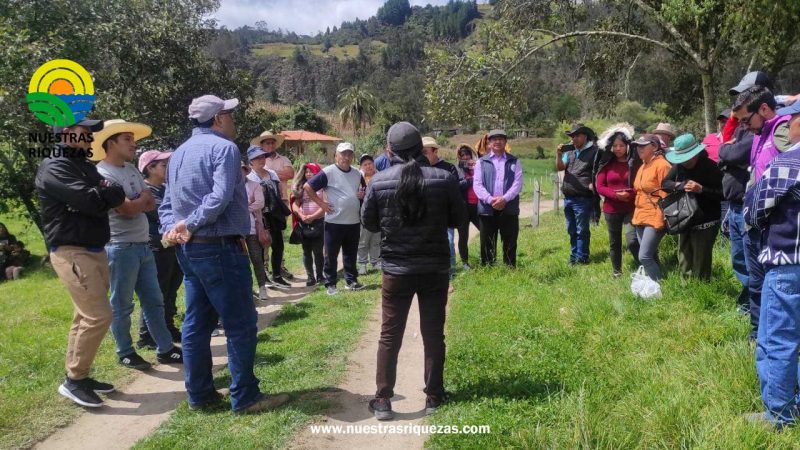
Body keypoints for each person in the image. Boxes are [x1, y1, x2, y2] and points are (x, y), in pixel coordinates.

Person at [160, 94, 289, 413]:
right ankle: (245, 397)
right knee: (241, 322)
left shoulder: (178, 154)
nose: (234, 120)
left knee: (196, 322)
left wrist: (172, 229)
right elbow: (218, 199)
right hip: (218, 247)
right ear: (217, 120)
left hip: (190, 251)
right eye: (230, 115)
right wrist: (188, 223)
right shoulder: (225, 149)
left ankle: (200, 394)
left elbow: (166, 205)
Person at [361, 121, 466, 420]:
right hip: (434, 268)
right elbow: (459, 218)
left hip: (396, 271)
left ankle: (382, 400)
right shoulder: (444, 178)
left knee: (389, 335)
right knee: (433, 333)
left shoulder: (379, 181)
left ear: (389, 150)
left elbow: (369, 223)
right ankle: (434, 395)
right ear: (421, 148)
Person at [35, 119, 126, 407]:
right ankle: (74, 381)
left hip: (94, 249)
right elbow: (92, 199)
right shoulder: (55, 166)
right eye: (85, 133)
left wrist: (103, 193)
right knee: (98, 316)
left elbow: (115, 192)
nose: (90, 138)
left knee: (83, 317)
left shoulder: (83, 166)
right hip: (72, 251)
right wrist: (102, 193)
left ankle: (78, 375)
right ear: (65, 134)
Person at [94, 119, 183, 371]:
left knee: (154, 300)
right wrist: (138, 200)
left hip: (142, 244)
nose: (134, 144)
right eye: (127, 140)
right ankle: (125, 351)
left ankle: (165, 349)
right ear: (110, 143)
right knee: (122, 304)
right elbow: (128, 209)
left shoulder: (132, 169)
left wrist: (138, 200)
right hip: (120, 246)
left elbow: (149, 203)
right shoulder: (102, 173)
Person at [743, 103, 800, 427]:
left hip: (787, 264)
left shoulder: (788, 162)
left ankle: (780, 416)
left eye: (791, 119)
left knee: (776, 341)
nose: (787, 125)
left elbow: (755, 211)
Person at [734, 85, 793, 340]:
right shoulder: (760, 131)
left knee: (773, 287)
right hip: (753, 224)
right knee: (756, 284)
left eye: (746, 120)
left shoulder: (783, 130)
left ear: (765, 109)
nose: (744, 127)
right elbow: (755, 175)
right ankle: (758, 334)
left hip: (775, 227)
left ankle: (776, 339)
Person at [136, 150, 184, 350]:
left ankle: (168, 326)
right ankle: (146, 335)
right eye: (163, 165)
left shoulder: (166, 189)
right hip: (156, 247)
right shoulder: (144, 192)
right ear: (150, 168)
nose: (168, 168)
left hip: (173, 246)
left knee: (172, 288)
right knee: (156, 291)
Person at [304, 142, 366, 295]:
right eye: (343, 154)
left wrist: (361, 196)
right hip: (334, 221)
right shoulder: (328, 172)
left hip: (353, 221)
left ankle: (351, 281)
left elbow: (363, 191)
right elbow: (307, 187)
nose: (346, 157)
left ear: (353, 156)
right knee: (331, 255)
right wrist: (321, 204)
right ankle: (331, 284)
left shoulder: (357, 173)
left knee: (351, 253)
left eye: (349, 154)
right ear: (336, 156)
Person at [662, 134, 724, 280]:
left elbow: (723, 194)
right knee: (684, 257)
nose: (684, 162)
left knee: (701, 260)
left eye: (686, 158)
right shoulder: (678, 167)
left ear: (695, 153)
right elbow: (665, 184)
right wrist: (682, 185)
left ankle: (701, 291)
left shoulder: (711, 167)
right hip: (684, 218)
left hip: (706, 220)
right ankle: (687, 289)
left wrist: (701, 189)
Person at [594, 124, 638, 278]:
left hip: (630, 207)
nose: (618, 148)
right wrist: (615, 195)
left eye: (621, 145)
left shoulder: (634, 164)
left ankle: (643, 265)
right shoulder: (606, 164)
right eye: (615, 146)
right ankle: (617, 272)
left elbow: (639, 184)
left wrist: (629, 194)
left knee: (632, 239)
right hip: (611, 209)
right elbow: (599, 186)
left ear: (627, 146)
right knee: (614, 242)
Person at [474, 129, 522, 267]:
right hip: (487, 208)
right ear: (489, 142)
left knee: (510, 240)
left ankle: (509, 267)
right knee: (487, 240)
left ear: (505, 142)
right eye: (494, 139)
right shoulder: (481, 162)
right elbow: (477, 184)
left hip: (509, 207)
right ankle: (488, 268)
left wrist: (504, 199)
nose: (497, 142)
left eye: (501, 139)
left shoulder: (514, 161)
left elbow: (517, 183)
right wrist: (490, 200)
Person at [251, 131, 295, 281]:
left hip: (279, 203)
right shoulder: (257, 161)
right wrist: (267, 171)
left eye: (272, 142)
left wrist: (267, 171)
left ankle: (279, 268)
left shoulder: (283, 159)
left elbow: (290, 174)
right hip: (261, 207)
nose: (270, 145)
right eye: (267, 143)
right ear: (261, 145)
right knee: (264, 239)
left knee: (278, 239)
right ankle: (265, 270)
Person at [556, 123, 599, 265]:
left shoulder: (595, 151)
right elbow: (560, 167)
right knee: (571, 229)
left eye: (577, 136)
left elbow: (600, 170)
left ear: (585, 136)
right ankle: (574, 256)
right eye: (572, 136)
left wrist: (594, 184)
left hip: (583, 197)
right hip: (568, 197)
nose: (574, 139)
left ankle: (582, 258)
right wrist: (558, 154)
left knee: (581, 230)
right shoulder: (569, 152)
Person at [631, 135, 672, 281]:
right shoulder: (643, 165)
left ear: (654, 147)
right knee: (649, 254)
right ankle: (655, 281)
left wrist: (660, 218)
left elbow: (666, 194)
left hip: (655, 215)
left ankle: (657, 285)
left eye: (643, 146)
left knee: (644, 256)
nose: (639, 149)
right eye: (638, 146)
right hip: (640, 214)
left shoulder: (662, 165)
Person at [422, 136, 460, 278]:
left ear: (435, 151)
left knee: (448, 241)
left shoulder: (448, 168)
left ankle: (450, 271)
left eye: (425, 152)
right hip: (426, 214)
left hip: (444, 213)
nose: (423, 155)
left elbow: (454, 191)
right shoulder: (419, 168)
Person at [291, 163, 325, 286]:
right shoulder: (302, 188)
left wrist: (313, 216)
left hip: (319, 222)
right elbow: (295, 204)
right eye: (306, 172)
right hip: (304, 223)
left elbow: (325, 205)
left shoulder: (323, 187)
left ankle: (320, 276)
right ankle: (310, 277)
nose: (309, 174)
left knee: (318, 251)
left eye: (311, 171)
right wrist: (301, 214)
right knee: (306, 251)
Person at [242, 163, 270, 301]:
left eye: (242, 170)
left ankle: (262, 287)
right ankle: (248, 289)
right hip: (236, 231)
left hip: (253, 228)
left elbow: (260, 203)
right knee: (242, 261)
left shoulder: (254, 185)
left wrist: (243, 208)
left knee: (257, 258)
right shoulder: (230, 186)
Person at [454, 144, 481, 269]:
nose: (465, 157)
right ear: (459, 157)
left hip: (476, 206)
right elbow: (456, 186)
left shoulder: (476, 166)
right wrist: (471, 180)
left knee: (485, 231)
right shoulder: (456, 169)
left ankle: (485, 257)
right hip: (463, 207)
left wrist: (476, 171)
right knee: (463, 236)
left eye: (467, 154)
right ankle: (465, 263)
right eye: (462, 155)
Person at [357, 154, 381, 275]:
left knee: (376, 239)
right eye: (365, 164)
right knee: (363, 240)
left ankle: (375, 261)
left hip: (378, 213)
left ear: (373, 164)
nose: (368, 166)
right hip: (364, 213)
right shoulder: (358, 177)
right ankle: (362, 263)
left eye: (370, 163)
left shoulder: (381, 175)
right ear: (361, 166)